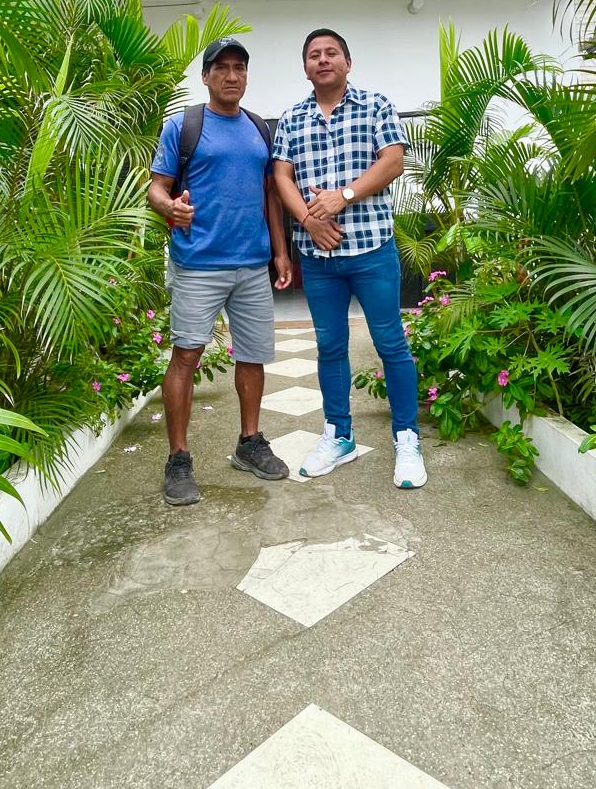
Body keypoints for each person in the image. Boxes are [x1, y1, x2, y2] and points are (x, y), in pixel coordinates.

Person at [272, 28, 426, 489]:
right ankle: (339, 435)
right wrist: (309, 220)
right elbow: (281, 176)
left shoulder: (376, 105)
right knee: (330, 346)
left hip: (372, 249)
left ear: (347, 62)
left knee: (391, 344)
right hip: (318, 257)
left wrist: (342, 196)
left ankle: (406, 438)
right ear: (305, 68)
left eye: (331, 53)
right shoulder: (292, 118)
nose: (323, 60)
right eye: (314, 55)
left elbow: (393, 161)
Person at [148, 38, 292, 505]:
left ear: (246, 76)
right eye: (222, 68)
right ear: (206, 77)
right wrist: (171, 207)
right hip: (198, 265)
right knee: (186, 356)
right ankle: (178, 459)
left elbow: (271, 195)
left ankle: (250, 442)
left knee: (252, 356)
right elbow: (157, 188)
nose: (232, 76)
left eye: (240, 68)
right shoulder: (183, 126)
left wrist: (280, 253)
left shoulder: (258, 129)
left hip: (251, 264)